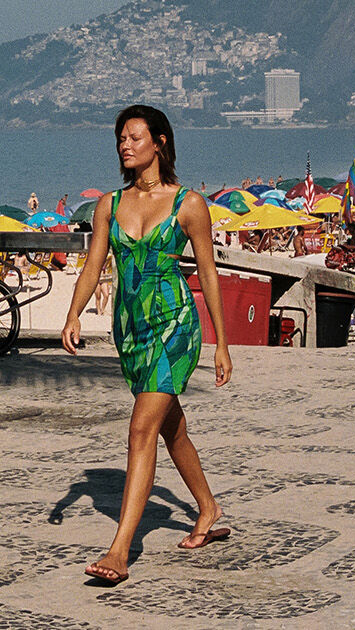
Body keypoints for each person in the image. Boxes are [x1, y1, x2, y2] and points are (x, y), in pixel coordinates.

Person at [60, 104, 233, 585]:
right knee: (169, 429)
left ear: (159, 142)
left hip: (175, 325)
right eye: (120, 138)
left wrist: (221, 342)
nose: (125, 145)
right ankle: (208, 507)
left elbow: (210, 274)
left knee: (140, 430)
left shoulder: (189, 204)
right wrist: (73, 313)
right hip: (131, 331)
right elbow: (94, 265)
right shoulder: (109, 206)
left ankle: (120, 551)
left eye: (135, 137)